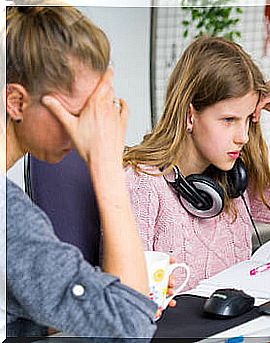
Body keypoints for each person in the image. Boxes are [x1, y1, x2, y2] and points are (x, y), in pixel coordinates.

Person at [5, 6, 175, 338]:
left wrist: (102, 294)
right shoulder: (10, 216)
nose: (92, 129)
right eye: (80, 112)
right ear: (17, 102)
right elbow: (131, 329)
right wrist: (107, 165)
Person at [123, 36, 270, 290]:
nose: (243, 137)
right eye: (228, 120)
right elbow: (129, 294)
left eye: (247, 119)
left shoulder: (235, 180)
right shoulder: (143, 184)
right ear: (190, 116)